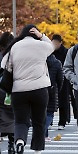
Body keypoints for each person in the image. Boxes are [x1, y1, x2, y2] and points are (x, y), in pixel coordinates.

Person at [1, 24, 54, 154]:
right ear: (35, 34)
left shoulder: (14, 47)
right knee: (38, 121)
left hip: (19, 90)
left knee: (20, 121)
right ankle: (37, 149)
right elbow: (52, 47)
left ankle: (20, 140)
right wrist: (41, 36)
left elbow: (4, 66)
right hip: (40, 90)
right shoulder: (41, 45)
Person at [0, 32, 15, 154]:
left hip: (1, 89)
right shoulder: (15, 54)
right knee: (12, 118)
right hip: (11, 90)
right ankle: (11, 144)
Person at [52, 34, 70, 130]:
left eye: (56, 43)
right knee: (50, 100)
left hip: (64, 78)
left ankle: (62, 121)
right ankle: (49, 121)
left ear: (60, 43)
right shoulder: (49, 51)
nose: (54, 45)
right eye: (53, 43)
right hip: (52, 78)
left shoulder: (66, 52)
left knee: (63, 100)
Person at [45, 54, 64, 142]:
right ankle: (43, 133)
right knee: (49, 113)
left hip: (38, 89)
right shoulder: (57, 63)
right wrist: (57, 89)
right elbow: (60, 79)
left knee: (40, 113)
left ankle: (44, 134)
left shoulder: (39, 61)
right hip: (52, 90)